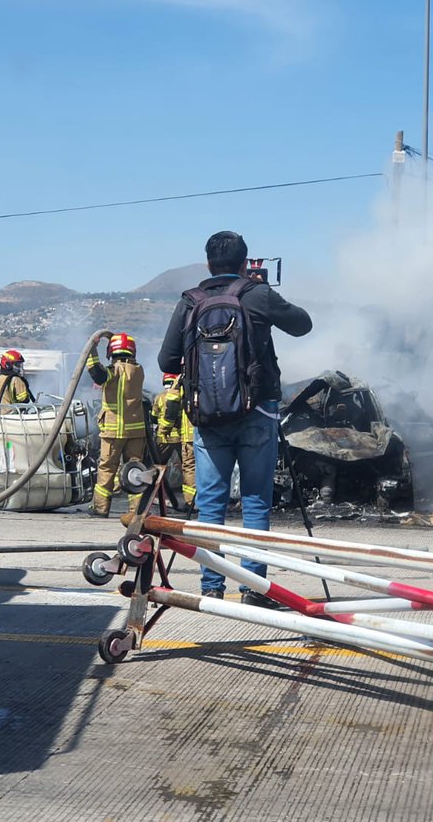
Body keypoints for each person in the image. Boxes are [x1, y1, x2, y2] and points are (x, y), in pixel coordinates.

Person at [158, 231, 311, 605]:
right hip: (257, 412)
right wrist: (261, 295)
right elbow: (303, 324)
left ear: (208, 264)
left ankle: (212, 586)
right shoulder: (257, 294)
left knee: (211, 503)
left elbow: (166, 361)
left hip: (208, 417)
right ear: (245, 263)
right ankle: (254, 590)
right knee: (257, 500)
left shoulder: (191, 301)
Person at [87, 332, 146, 517]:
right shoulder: (139, 370)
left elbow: (97, 374)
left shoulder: (114, 371)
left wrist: (91, 351)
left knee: (106, 469)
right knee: (135, 471)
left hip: (113, 431)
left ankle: (100, 508)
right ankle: (136, 512)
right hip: (135, 433)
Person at [162, 374, 196, 514]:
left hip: (191, 433)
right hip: (216, 433)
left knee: (190, 467)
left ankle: (192, 503)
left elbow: (172, 405)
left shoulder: (183, 377)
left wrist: (165, 428)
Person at [150, 373, 181, 462]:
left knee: (159, 463)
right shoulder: (180, 395)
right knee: (186, 465)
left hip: (163, 438)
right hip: (179, 438)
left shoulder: (159, 397)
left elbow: (154, 418)